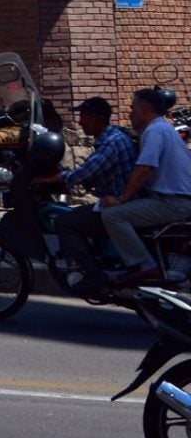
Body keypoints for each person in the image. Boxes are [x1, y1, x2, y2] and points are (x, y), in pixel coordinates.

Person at [96, 88, 191, 288]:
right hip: (177, 199)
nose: (130, 113)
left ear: (145, 108)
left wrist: (122, 198)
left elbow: (144, 167)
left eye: (133, 108)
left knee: (113, 215)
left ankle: (143, 264)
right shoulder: (164, 128)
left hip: (172, 202)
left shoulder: (155, 131)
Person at [52, 96, 138, 286]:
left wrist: (52, 178)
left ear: (96, 118)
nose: (80, 122)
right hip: (114, 200)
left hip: (118, 203)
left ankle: (93, 274)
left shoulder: (111, 142)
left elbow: (85, 172)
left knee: (65, 222)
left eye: (84, 116)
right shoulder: (111, 136)